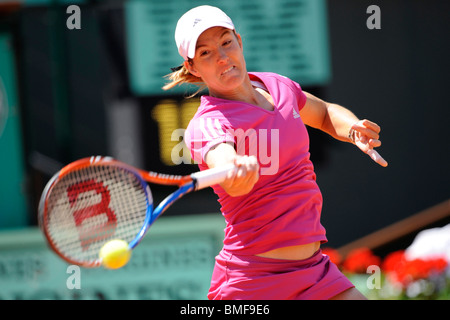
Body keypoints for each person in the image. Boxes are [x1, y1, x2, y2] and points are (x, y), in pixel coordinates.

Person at [163, 5, 388, 300]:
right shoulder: (207, 124)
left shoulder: (277, 86)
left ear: (239, 41)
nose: (221, 56)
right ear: (193, 67)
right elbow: (224, 162)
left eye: (226, 42)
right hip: (252, 282)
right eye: (205, 53)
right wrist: (235, 169)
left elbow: (324, 114)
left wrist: (352, 128)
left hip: (313, 271)